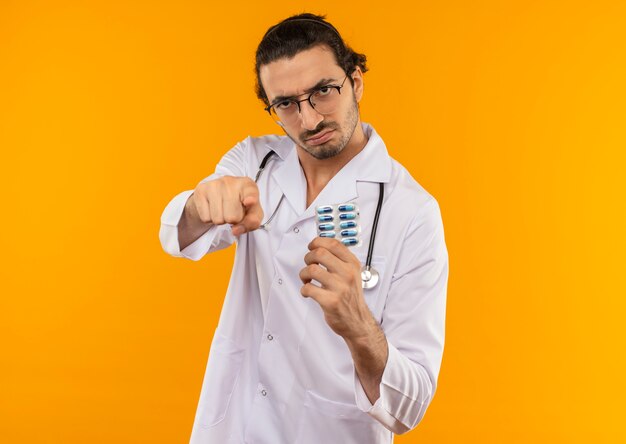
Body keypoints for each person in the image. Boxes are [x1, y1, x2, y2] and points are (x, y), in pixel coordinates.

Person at [159, 13, 448, 444]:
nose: (309, 120)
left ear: (356, 81)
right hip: (234, 430)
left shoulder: (412, 212)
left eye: (323, 92)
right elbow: (177, 235)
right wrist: (204, 204)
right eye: (286, 104)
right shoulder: (255, 162)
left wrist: (357, 323)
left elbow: (410, 406)